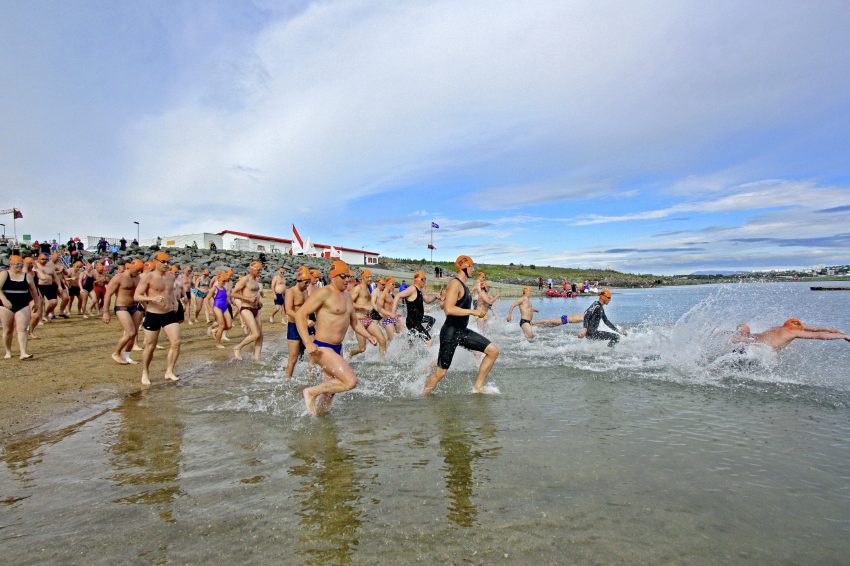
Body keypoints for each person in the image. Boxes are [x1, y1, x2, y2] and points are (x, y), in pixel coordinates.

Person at [295, 260, 377, 416]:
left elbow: (354, 322)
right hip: (322, 347)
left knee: (330, 392)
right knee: (350, 381)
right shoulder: (324, 293)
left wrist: (369, 336)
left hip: (337, 348)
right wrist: (308, 343)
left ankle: (318, 417)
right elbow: (300, 315)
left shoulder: (347, 296)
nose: (347, 280)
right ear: (333, 276)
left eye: (349, 276)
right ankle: (311, 392)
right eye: (343, 276)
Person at [423, 255, 500, 396]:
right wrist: (473, 311)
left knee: (493, 351)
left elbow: (446, 305)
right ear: (465, 267)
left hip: (462, 331)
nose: (473, 269)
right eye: (472, 266)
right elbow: (449, 309)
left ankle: (478, 387)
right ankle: (423, 396)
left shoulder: (463, 285)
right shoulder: (455, 283)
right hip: (450, 332)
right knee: (441, 372)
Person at [134, 251, 181, 386]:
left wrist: (175, 303)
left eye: (168, 262)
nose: (166, 264)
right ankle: (145, 372)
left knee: (176, 342)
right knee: (150, 346)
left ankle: (169, 371)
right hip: (153, 314)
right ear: (155, 262)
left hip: (169, 313)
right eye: (163, 262)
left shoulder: (171, 276)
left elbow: (171, 292)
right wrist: (151, 298)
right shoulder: (148, 277)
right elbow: (137, 296)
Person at [102, 259, 144, 365]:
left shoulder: (138, 278)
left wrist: (147, 308)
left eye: (141, 270)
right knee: (130, 332)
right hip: (122, 307)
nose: (139, 272)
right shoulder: (119, 277)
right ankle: (116, 353)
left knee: (134, 334)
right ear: (131, 267)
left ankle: (127, 357)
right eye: (138, 270)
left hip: (134, 307)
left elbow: (140, 294)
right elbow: (108, 294)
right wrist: (106, 312)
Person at [0, 255, 38, 359]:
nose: (19, 266)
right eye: (17, 264)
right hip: (6, 305)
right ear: (11, 264)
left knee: (23, 329)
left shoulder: (27, 276)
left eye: (21, 264)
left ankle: (23, 352)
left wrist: (36, 303)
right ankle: (8, 351)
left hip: (23, 304)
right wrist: (4, 300)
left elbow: (34, 291)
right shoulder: (4, 274)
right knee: (8, 330)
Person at [733, 319, 850, 352]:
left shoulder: (777, 328)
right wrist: (843, 336)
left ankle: (738, 334)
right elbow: (819, 335)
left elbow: (816, 329)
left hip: (751, 344)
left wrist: (838, 331)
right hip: (761, 351)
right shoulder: (793, 332)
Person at [391, 270, 440, 344]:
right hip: (413, 322)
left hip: (417, 321)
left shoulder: (421, 290)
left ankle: (404, 350)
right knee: (429, 342)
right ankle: (424, 348)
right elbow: (398, 295)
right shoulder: (412, 289)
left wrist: (436, 296)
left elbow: (427, 300)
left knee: (411, 344)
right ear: (419, 280)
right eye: (424, 280)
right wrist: (393, 312)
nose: (425, 282)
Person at [347, 268, 387, 359]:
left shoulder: (368, 289)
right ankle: (350, 354)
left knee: (382, 340)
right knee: (362, 348)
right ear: (363, 278)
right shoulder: (358, 288)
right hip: (359, 321)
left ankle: (383, 362)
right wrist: (363, 306)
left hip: (368, 319)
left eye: (370, 277)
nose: (370, 279)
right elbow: (349, 303)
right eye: (368, 277)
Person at [231, 261, 264, 361]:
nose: (260, 272)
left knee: (260, 336)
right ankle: (237, 347)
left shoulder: (256, 280)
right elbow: (233, 293)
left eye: (260, 270)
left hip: (256, 309)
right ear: (252, 269)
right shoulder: (245, 279)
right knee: (255, 334)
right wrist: (248, 299)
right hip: (246, 308)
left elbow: (254, 293)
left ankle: (256, 358)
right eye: (258, 270)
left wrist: (259, 302)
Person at [284, 266, 313, 378]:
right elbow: (288, 310)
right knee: (293, 358)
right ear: (299, 280)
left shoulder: (305, 291)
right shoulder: (290, 291)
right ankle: (287, 381)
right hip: (294, 326)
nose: (307, 285)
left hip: (307, 325)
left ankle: (309, 377)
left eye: (309, 282)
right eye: (306, 282)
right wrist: (304, 319)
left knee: (314, 351)